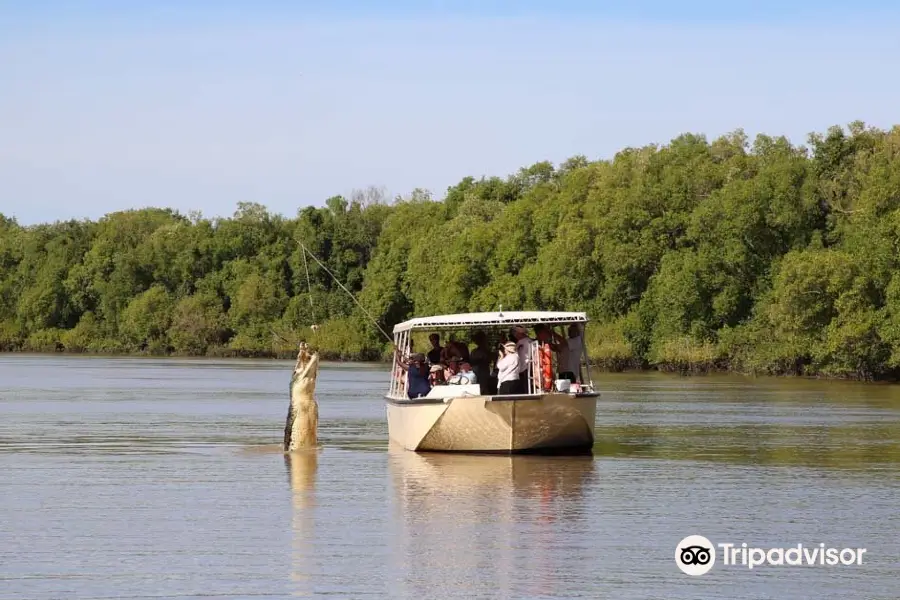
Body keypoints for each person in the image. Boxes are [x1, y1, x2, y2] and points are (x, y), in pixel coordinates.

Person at [512, 325, 533, 394]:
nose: (514, 334)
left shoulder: (528, 341)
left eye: (515, 332)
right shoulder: (520, 342)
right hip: (521, 368)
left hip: (526, 368)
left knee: (526, 388)